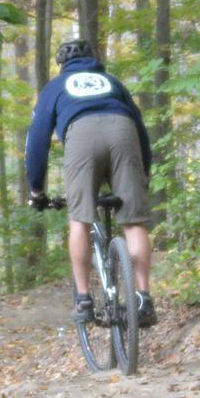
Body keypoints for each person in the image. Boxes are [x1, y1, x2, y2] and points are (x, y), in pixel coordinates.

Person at [23, 38, 159, 327]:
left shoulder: (56, 87)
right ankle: (144, 298)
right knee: (134, 223)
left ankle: (84, 299)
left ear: (63, 65)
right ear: (94, 60)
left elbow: (36, 139)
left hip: (81, 135)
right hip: (124, 132)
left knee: (80, 220)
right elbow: (141, 128)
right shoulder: (112, 82)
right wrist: (143, 172)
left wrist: (36, 188)